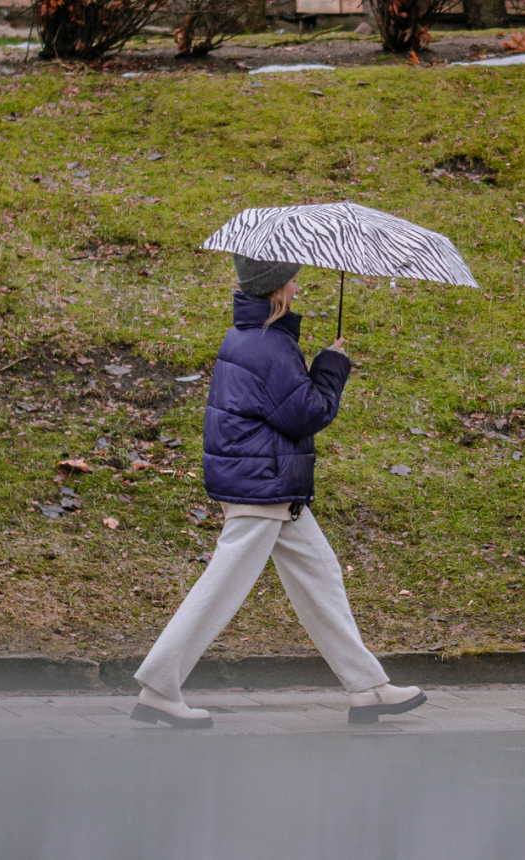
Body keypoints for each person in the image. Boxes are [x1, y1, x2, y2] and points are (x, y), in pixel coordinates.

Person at [131, 254, 426, 729]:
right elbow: (307, 413)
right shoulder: (268, 346)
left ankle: (367, 687)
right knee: (220, 587)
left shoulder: (251, 337)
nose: (296, 288)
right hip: (261, 485)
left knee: (322, 576)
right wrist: (332, 365)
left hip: (267, 484)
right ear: (275, 289)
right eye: (291, 280)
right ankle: (159, 688)